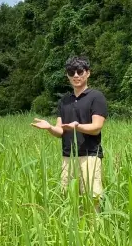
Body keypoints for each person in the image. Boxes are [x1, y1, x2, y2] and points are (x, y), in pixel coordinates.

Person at [31, 55, 108, 209]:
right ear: (67, 75)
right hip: (68, 156)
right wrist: (49, 127)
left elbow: (96, 127)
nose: (76, 75)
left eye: (80, 71)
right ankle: (75, 231)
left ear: (88, 73)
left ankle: (94, 231)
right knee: (69, 199)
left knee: (93, 199)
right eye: (71, 72)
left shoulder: (96, 97)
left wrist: (77, 126)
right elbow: (60, 131)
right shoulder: (64, 101)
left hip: (89, 155)